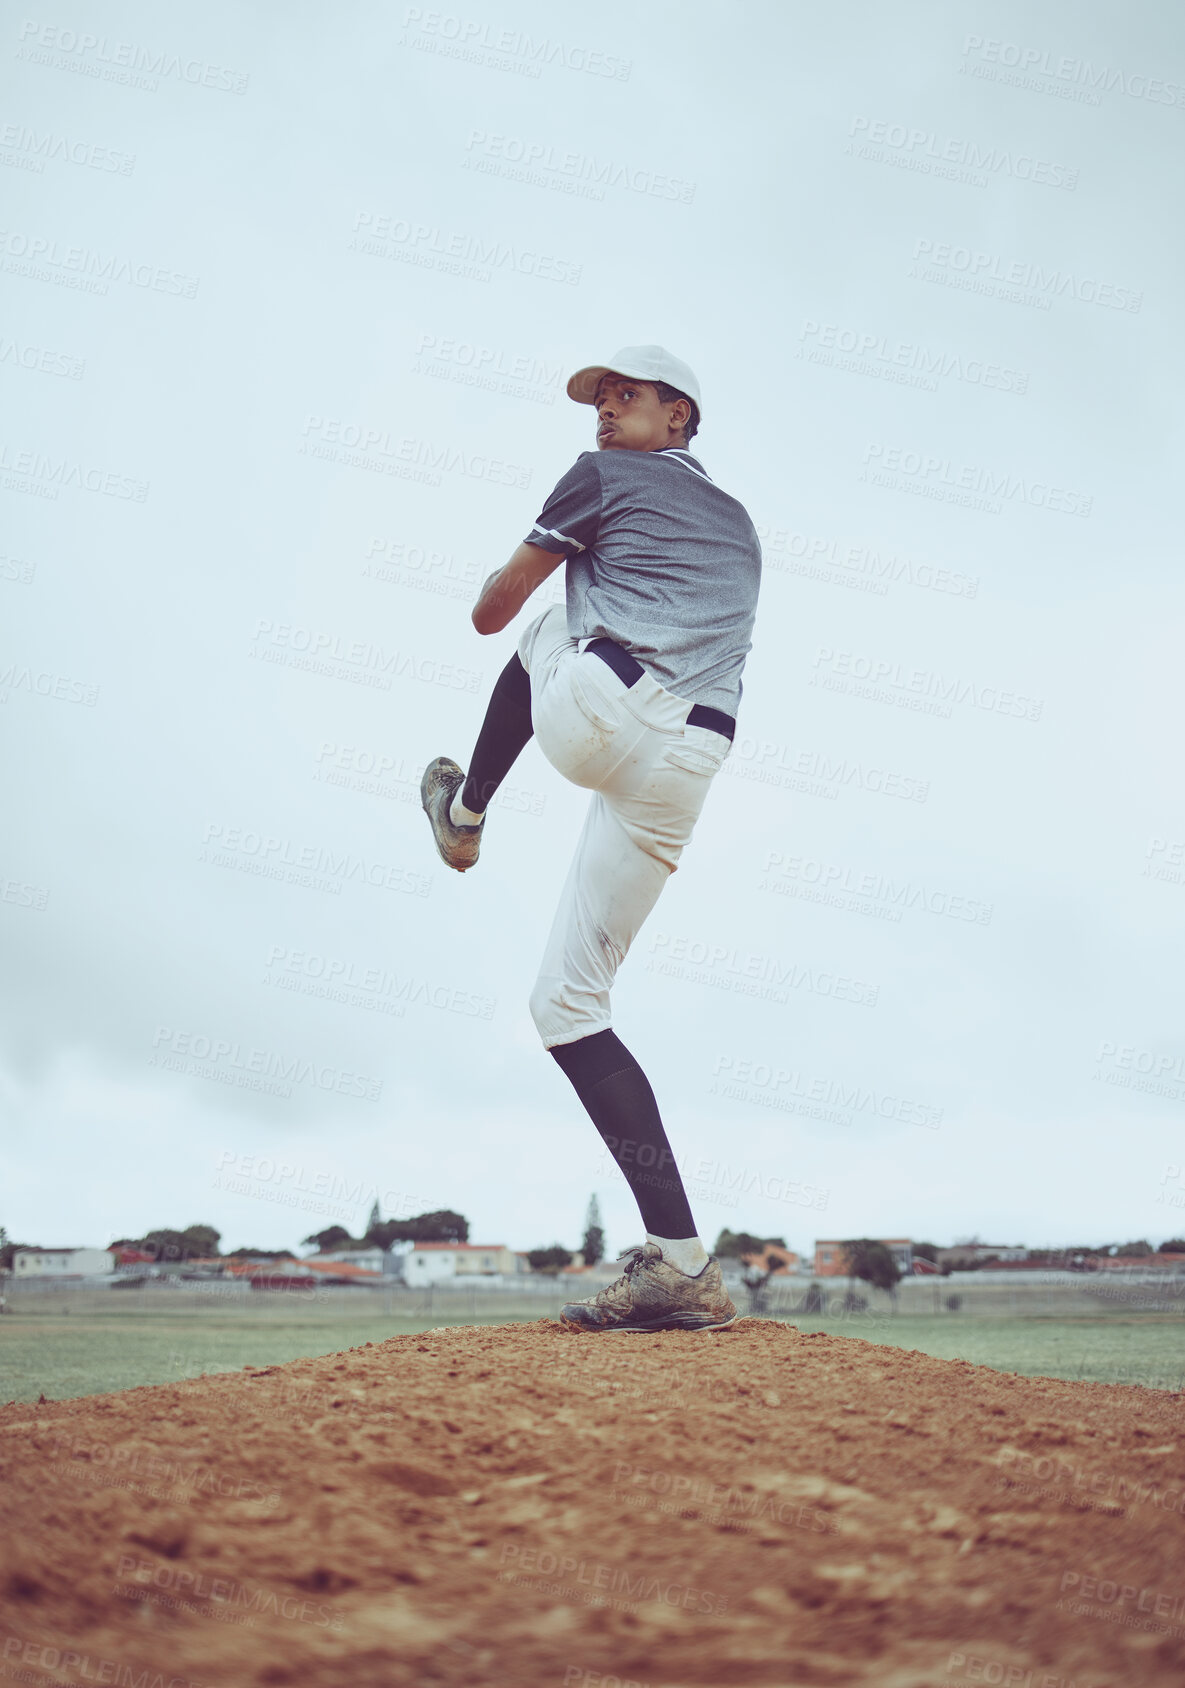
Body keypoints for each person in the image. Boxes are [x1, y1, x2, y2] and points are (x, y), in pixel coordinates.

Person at [420, 346, 763, 1333]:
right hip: (691, 759)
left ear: (681, 415)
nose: (605, 412)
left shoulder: (602, 477)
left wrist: (544, 559)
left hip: (607, 713)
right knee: (566, 1004)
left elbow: (489, 611)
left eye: (627, 395)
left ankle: (466, 814)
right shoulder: (739, 522)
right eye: (599, 399)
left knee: (533, 629)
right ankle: (684, 1267)